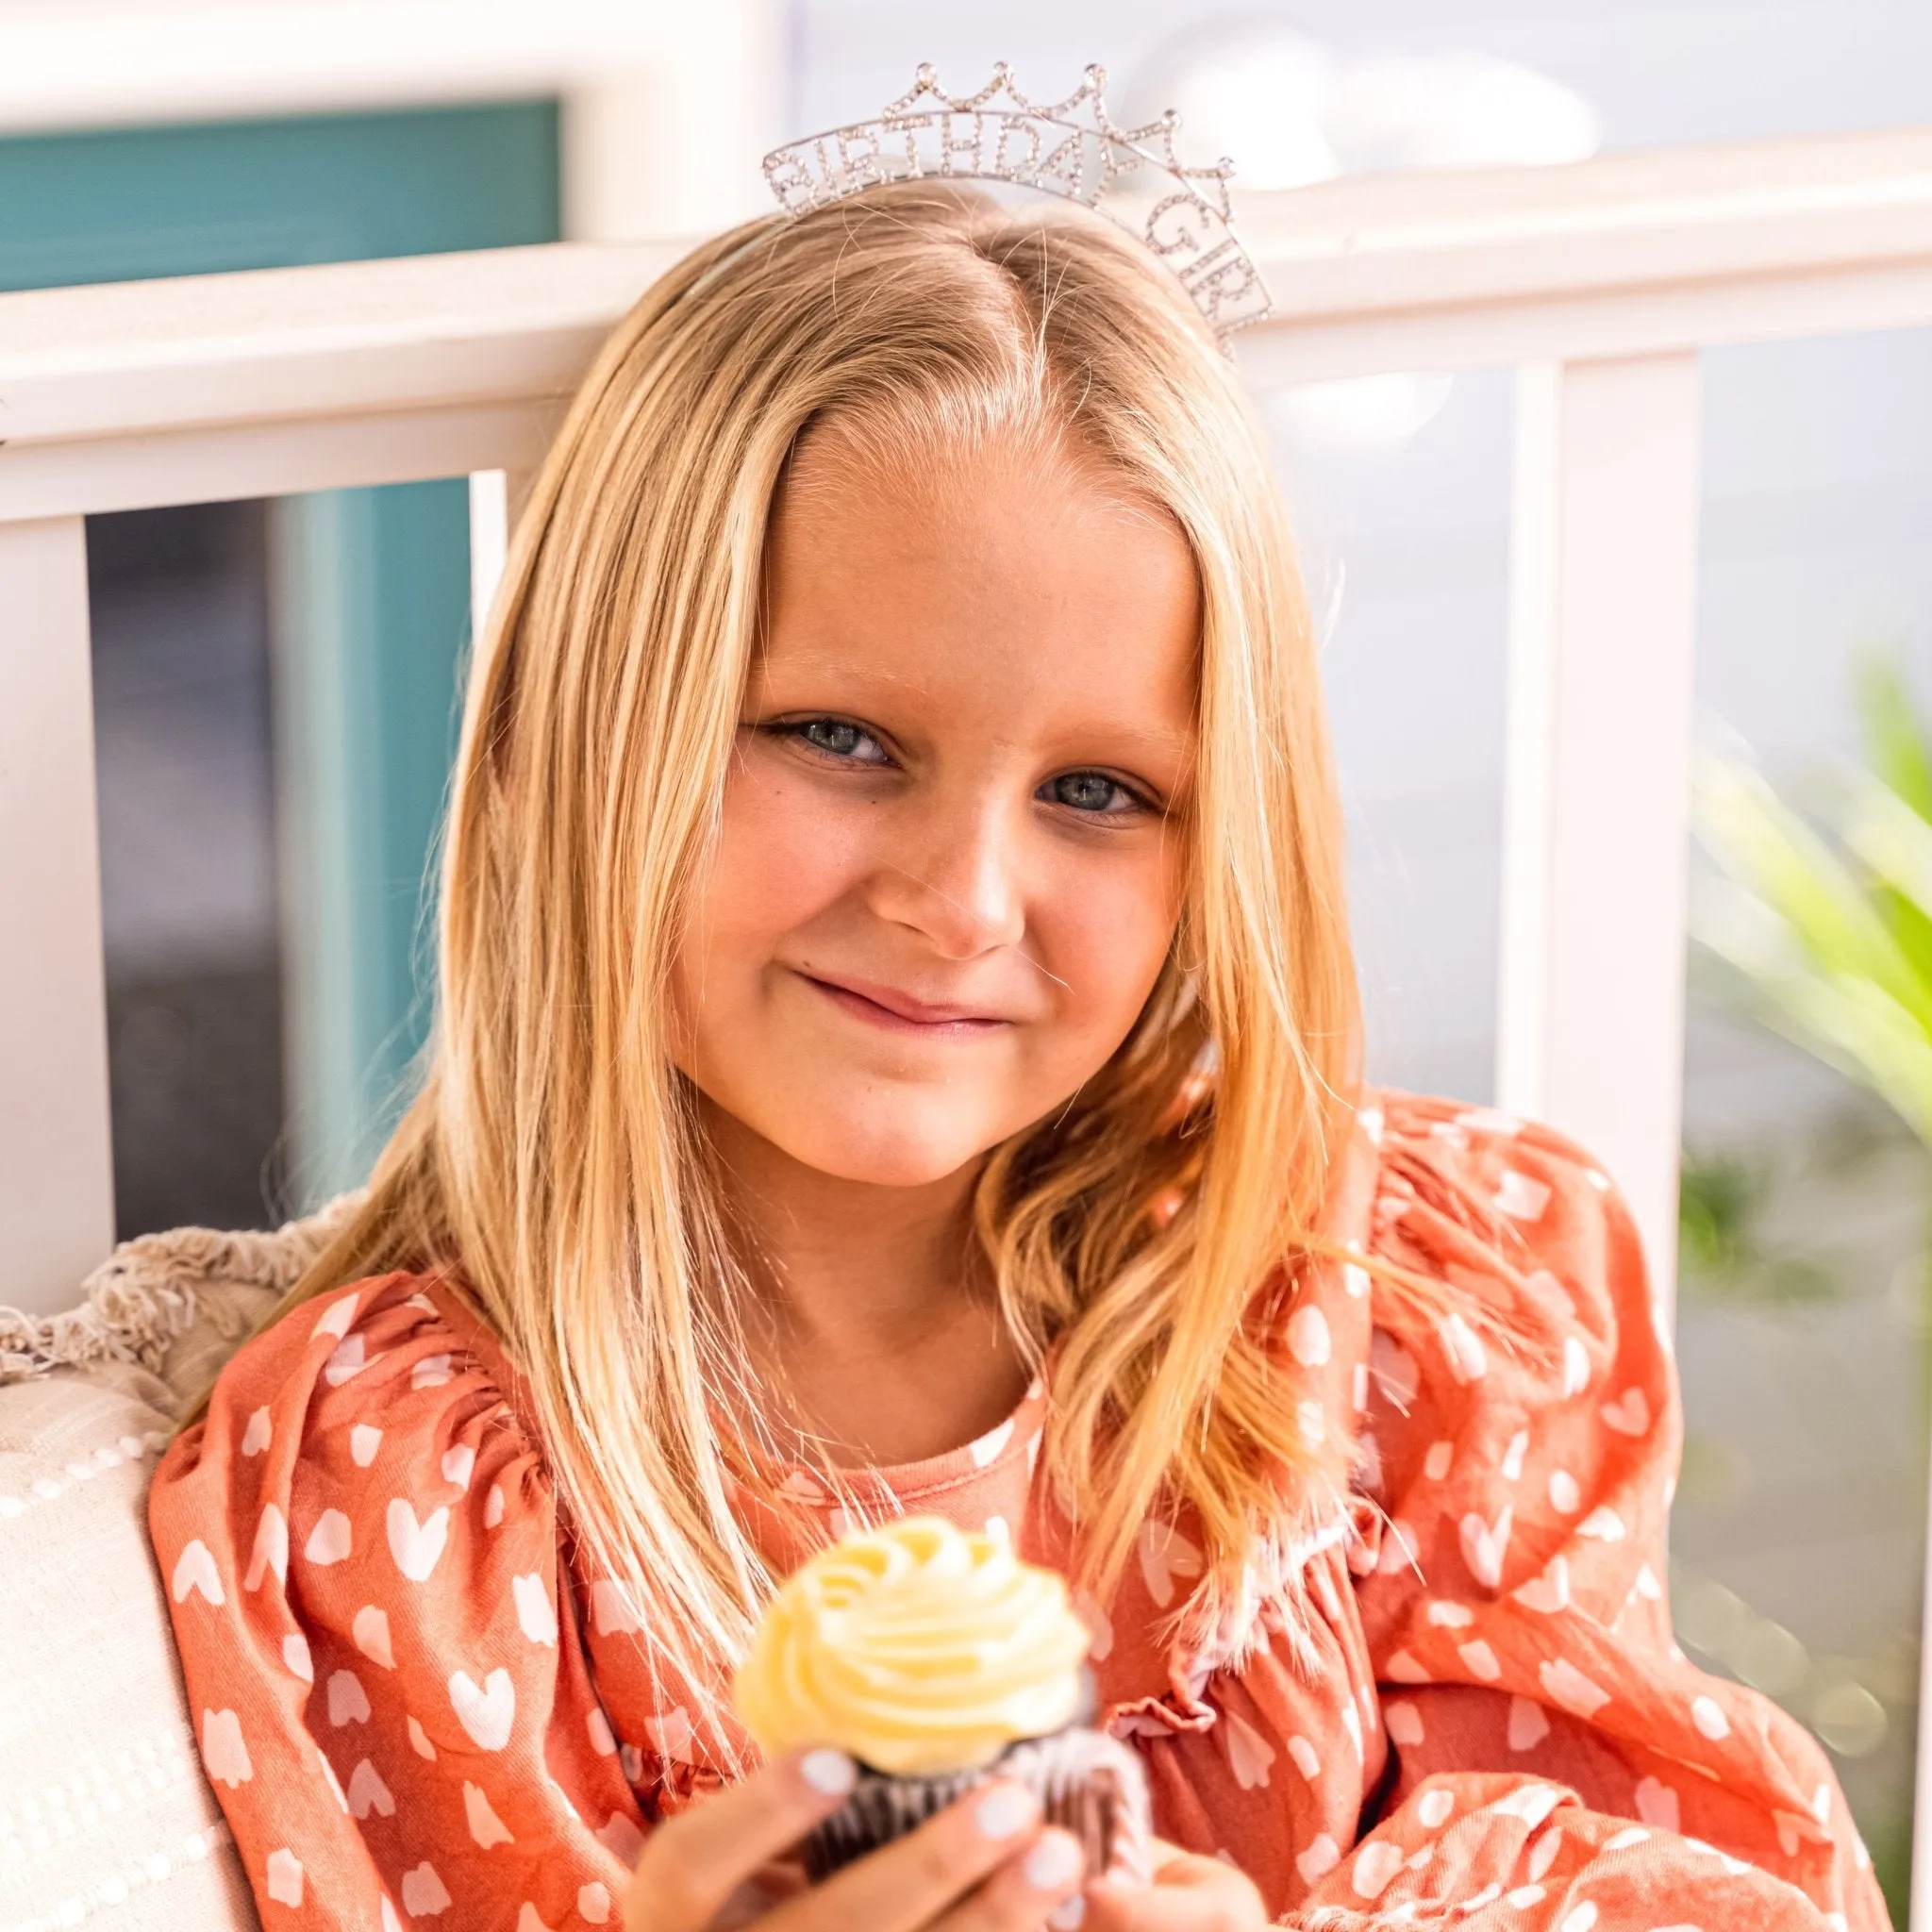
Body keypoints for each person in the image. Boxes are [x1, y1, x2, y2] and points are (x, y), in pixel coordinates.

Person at [149, 175, 1887, 1932]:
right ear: (581, 733)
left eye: (1100, 792)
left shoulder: (1391, 1315)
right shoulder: (402, 1504)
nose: (963, 902)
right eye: (838, 737)